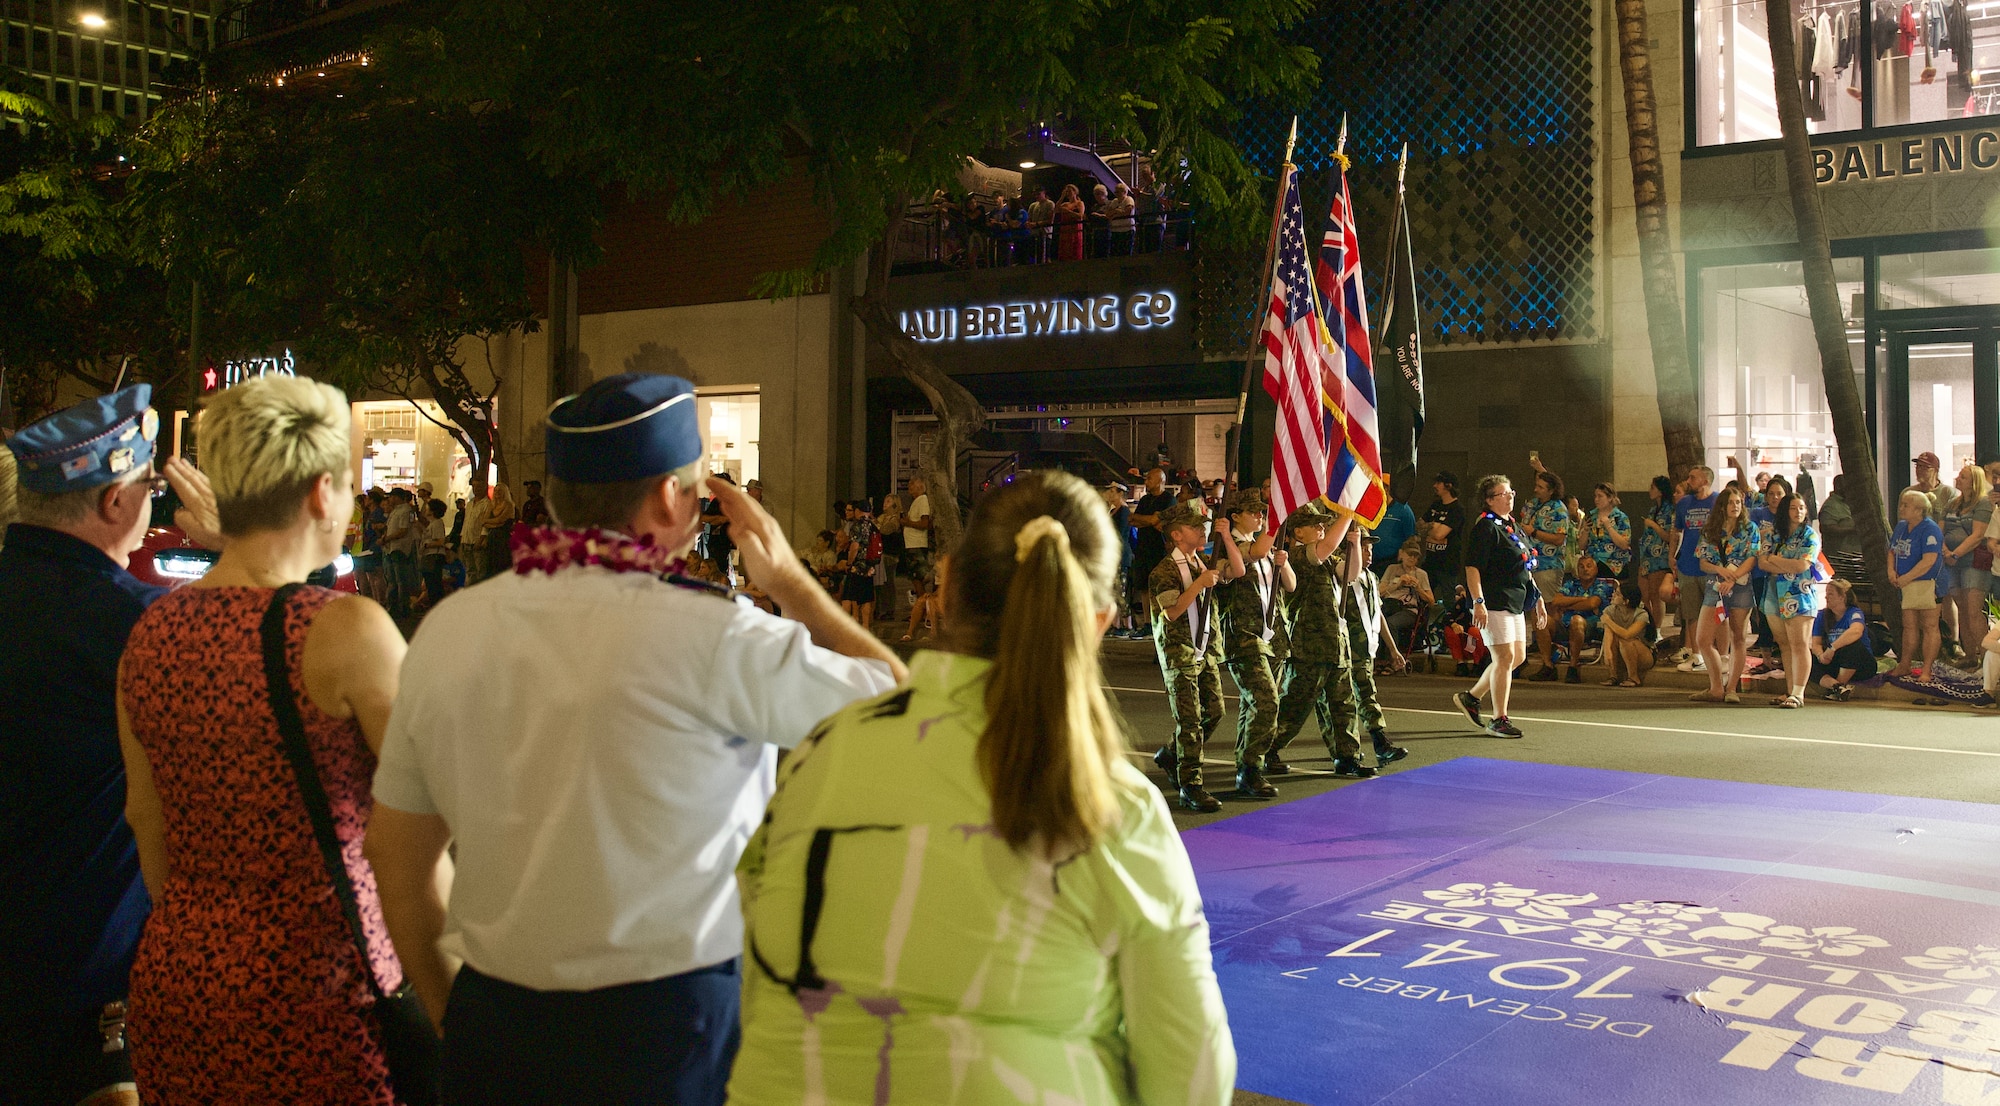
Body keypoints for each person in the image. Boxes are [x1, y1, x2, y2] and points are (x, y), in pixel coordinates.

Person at [364, 373, 902, 1105]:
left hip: (498, 1022)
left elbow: (398, 856)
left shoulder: (450, 630)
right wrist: (792, 582)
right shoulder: (718, 635)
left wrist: (453, 1013)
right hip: (672, 1030)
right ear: (668, 500)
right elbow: (900, 705)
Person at [727, 471, 1236, 1106]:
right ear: (1099, 621)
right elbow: (1190, 1074)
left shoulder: (821, 756)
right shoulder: (1113, 806)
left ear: (945, 584)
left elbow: (752, 962)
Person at [115, 375, 415, 1103]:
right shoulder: (344, 629)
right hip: (323, 990)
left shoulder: (152, 631)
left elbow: (145, 819)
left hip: (180, 980)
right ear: (321, 493)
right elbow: (424, 822)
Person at [0, 386, 221, 1106]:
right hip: (79, 971)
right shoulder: (129, 624)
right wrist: (243, 544)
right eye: (149, 488)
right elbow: (281, 682)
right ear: (114, 504)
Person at [1269, 503, 1377, 777]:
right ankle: (1265, 749)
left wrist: (1353, 545)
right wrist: (1348, 513)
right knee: (1295, 705)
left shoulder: (1326, 558)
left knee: (1342, 705)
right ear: (1298, 532)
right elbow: (1326, 546)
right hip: (1308, 644)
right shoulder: (1296, 556)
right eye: (1315, 524)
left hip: (1334, 642)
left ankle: (1347, 757)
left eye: (1322, 524)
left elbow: (1350, 575)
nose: (1321, 528)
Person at [1450, 475, 1546, 739]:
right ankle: (1499, 718)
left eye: (1511, 491)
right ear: (1490, 500)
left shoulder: (1513, 526)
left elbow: (1526, 568)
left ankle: (1471, 697)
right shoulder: (1486, 528)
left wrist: (1537, 600)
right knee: (1503, 658)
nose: (1510, 496)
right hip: (1494, 601)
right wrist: (1478, 601)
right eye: (1504, 493)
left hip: (1514, 601)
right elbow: (1473, 568)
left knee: (1518, 657)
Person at [1212, 489, 1293, 800]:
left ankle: (1245, 765)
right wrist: (1277, 519)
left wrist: (1282, 563)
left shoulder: (1263, 547)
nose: (1260, 517)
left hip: (1268, 635)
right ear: (1236, 516)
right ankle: (1250, 768)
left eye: (1263, 512)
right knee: (1266, 701)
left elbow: (1290, 585)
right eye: (1254, 512)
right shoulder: (1228, 544)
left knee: (1253, 704)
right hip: (1243, 636)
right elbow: (1254, 555)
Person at [1148, 503, 1229, 810]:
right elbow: (1172, 612)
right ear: (1177, 534)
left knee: (1215, 711)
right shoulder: (1165, 571)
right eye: (1195, 527)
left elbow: (1235, 570)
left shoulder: (1201, 562)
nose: (1202, 530)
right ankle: (1190, 785)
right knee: (1190, 720)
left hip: (1204, 648)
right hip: (1179, 651)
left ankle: (1171, 754)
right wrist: (1199, 584)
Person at [1341, 531, 1410, 764]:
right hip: (1345, 650)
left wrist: (1393, 650)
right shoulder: (1341, 576)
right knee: (1342, 701)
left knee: (1364, 695)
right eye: (1363, 548)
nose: (1369, 553)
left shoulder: (1370, 577)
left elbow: (1377, 614)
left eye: (1370, 549)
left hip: (1365, 650)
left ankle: (1376, 744)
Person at [1690, 484, 1760, 703]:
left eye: (1738, 502)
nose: (1735, 506)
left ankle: (1732, 688)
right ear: (1721, 506)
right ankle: (1715, 687)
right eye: (1730, 502)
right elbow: (1703, 562)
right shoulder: (1710, 531)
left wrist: (1733, 577)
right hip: (1715, 587)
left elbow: (1752, 558)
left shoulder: (1750, 529)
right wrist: (1719, 570)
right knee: (1703, 639)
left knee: (1738, 637)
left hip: (1740, 587)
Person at [1759, 492, 1822, 708]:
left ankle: (1799, 692)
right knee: (1784, 644)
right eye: (1794, 508)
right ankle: (1789, 689)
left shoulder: (1810, 536)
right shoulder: (1773, 535)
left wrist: (1776, 560)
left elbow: (1802, 565)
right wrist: (1782, 563)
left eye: (1802, 508)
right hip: (1773, 593)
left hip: (1799, 595)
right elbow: (1762, 563)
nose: (1798, 512)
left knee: (1800, 643)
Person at [1888, 487, 1946, 682]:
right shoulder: (1901, 527)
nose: (1902, 508)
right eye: (1902, 504)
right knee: (1909, 626)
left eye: (1906, 505)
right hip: (1906, 584)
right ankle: (1905, 663)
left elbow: (1929, 560)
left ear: (1919, 510)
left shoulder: (1931, 529)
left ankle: (1927, 669)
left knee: (1929, 625)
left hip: (1928, 583)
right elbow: (1892, 551)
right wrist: (1891, 571)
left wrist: (1907, 577)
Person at [1523, 471, 1571, 678]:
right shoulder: (1533, 504)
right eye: (1536, 485)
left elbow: (1559, 539)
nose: (1536, 489)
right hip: (1530, 565)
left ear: (1551, 490)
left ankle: (1551, 658)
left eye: (1541, 487)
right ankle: (1543, 649)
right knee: (1534, 614)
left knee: (1546, 612)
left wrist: (1533, 532)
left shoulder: (1559, 509)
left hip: (1549, 565)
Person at [1943, 464, 1994, 659]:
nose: (1957, 478)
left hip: (1973, 563)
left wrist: (1955, 554)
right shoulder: (1953, 503)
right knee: (1962, 610)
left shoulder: (1983, 503)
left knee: (1973, 611)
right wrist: (1946, 552)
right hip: (1952, 563)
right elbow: (1940, 529)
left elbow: (1978, 535)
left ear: (1974, 483)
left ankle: (1986, 659)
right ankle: (1970, 655)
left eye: (1962, 477)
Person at [1544, 554, 1615, 683]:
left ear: (1596, 569)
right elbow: (1556, 601)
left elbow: (1592, 604)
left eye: (1589, 566)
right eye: (1581, 567)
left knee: (1576, 619)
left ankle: (1573, 667)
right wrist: (1581, 599)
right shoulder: (1571, 584)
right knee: (1542, 621)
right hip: (1565, 624)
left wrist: (1568, 606)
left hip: (1591, 626)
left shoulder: (1601, 585)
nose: (1585, 569)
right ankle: (1547, 666)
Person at [1672, 465, 1719, 658]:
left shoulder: (1717, 502)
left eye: (1693, 478)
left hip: (1711, 566)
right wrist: (1672, 557)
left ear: (1705, 481)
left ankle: (1716, 653)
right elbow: (1677, 531)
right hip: (1687, 564)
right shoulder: (1684, 503)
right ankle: (1696, 654)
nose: (1688, 481)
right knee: (1691, 612)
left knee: (1714, 612)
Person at [1810, 578, 1877, 699]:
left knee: (1851, 645)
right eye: (1826, 594)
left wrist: (1832, 648)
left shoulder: (1854, 613)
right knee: (1807, 659)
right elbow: (1815, 643)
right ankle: (1837, 687)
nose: (1826, 597)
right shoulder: (1822, 616)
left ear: (1842, 597)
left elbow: (1856, 631)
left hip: (1860, 664)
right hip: (1835, 662)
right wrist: (1821, 655)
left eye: (1830, 594)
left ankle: (1839, 686)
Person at [1128, 467, 1176, 614]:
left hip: (1159, 549)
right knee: (1143, 586)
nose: (1146, 481)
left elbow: (1157, 520)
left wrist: (1148, 519)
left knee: (1158, 586)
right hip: (1143, 548)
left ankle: (1158, 619)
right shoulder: (1145, 500)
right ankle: (1147, 622)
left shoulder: (1168, 499)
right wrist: (1150, 520)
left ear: (1160, 480)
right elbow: (1132, 520)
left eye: (1149, 478)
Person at [1379, 537, 1434, 655]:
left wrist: (1418, 588)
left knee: (1390, 623)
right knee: (1377, 621)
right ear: (1401, 554)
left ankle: (1392, 659)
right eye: (1410, 554)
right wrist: (1398, 584)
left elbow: (1431, 601)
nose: (1412, 558)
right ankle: (1377, 659)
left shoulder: (1421, 574)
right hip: (1389, 605)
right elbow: (1379, 592)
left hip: (1408, 609)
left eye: (1415, 556)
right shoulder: (1392, 569)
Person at [1636, 476, 1676, 637]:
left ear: (1660, 490)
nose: (1649, 490)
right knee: (1644, 595)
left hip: (1660, 557)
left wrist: (1654, 526)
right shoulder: (1653, 510)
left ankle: (1658, 629)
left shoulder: (1671, 511)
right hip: (1646, 556)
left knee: (1655, 594)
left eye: (1653, 487)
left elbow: (1668, 536)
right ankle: (1649, 626)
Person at [1600, 580, 1654, 687]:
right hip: (1621, 652)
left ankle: (1634, 677)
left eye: (1617, 594)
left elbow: (1627, 634)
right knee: (1614, 638)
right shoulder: (1610, 611)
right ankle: (1613, 675)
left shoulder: (1641, 614)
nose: (1613, 595)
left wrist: (1608, 621)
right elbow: (1608, 633)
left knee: (1626, 640)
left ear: (1626, 601)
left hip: (1642, 654)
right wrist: (1607, 652)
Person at [1420, 470, 1465, 588]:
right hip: (1429, 562)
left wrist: (1430, 526)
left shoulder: (1457, 509)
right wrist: (1435, 527)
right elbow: (1419, 526)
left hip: (1447, 564)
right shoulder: (1435, 505)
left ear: (1448, 485)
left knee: (1448, 600)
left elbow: (1439, 534)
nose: (1434, 486)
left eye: (1438, 483)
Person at [1370, 470, 1419, 575]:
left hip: (1392, 563)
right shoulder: (1372, 507)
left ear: (1387, 489)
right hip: (1372, 561)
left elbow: (1411, 538)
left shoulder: (1403, 510)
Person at [383, 486, 420, 618]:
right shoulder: (396, 511)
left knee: (401, 580)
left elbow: (403, 530)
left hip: (401, 548)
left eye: (392, 496)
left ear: (398, 497)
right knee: (393, 579)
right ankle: (393, 606)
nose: (390, 499)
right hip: (391, 548)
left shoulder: (406, 511)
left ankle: (402, 607)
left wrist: (387, 538)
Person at [1585, 482, 1632, 579]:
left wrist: (1608, 526)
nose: (1596, 499)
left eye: (1600, 496)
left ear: (1610, 498)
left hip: (1613, 567)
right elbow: (1581, 545)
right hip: (1592, 565)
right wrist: (1585, 530)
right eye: (1595, 496)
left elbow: (1624, 544)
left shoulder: (1620, 517)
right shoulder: (1591, 516)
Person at [902, 474, 933, 601]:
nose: (909, 487)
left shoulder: (922, 500)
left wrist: (907, 523)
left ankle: (924, 608)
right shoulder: (916, 502)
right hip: (911, 545)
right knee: (914, 578)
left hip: (917, 545)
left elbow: (924, 523)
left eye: (912, 484)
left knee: (917, 578)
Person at [1905, 450, 1953, 522]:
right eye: (1917, 466)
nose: (1919, 470)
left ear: (1935, 470)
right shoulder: (1909, 493)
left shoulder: (1947, 493)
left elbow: (1952, 523)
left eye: (1925, 467)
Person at [421, 497, 450, 608]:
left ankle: (436, 606)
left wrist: (426, 545)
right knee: (431, 583)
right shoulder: (432, 523)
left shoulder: (437, 523)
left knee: (434, 583)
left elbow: (440, 541)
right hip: (429, 555)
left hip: (434, 556)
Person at [459, 479, 490, 584]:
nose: (476, 489)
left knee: (480, 571)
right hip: (466, 540)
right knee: (469, 570)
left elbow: (485, 525)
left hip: (477, 541)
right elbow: (467, 521)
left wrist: (481, 539)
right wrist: (462, 537)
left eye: (478, 486)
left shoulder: (487, 503)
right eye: (474, 486)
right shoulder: (470, 503)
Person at [482, 481, 516, 575]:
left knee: (502, 563)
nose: (497, 493)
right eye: (496, 491)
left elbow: (500, 519)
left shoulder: (509, 505)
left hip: (503, 538)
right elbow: (484, 521)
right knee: (491, 563)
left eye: (500, 491)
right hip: (492, 537)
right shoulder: (491, 505)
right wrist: (496, 524)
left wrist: (493, 522)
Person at [1055, 182, 1086, 261]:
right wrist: (1062, 197)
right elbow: (1056, 209)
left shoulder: (1079, 203)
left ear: (1074, 192)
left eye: (1069, 191)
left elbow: (1080, 216)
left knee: (1074, 249)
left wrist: (1068, 212)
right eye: (1066, 192)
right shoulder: (1065, 204)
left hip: (1075, 228)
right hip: (1065, 229)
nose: (1068, 193)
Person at [1105, 182, 1138, 255]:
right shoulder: (1114, 201)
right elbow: (1107, 214)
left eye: (1118, 192)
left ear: (1124, 192)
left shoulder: (1129, 199)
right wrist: (1117, 211)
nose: (1116, 194)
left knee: (1126, 252)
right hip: (1115, 230)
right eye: (1115, 192)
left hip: (1126, 230)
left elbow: (1126, 213)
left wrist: (1114, 215)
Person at [1025, 186, 1055, 262]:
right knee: (1033, 256)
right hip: (1034, 233)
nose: (1036, 196)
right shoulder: (1033, 205)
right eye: (1035, 194)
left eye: (1038, 194)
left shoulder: (1050, 204)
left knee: (1045, 256)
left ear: (1044, 193)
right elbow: (1029, 218)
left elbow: (1050, 221)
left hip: (1045, 233)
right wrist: (1028, 224)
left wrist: (1035, 224)